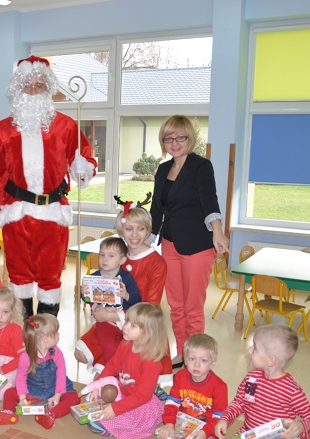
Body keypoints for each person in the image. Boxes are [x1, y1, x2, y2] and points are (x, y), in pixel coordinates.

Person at [0, 55, 97, 317]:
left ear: (48, 89)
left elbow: (85, 162)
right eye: (27, 85)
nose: (33, 90)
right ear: (17, 89)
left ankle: (46, 333)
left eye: (39, 85)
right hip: (16, 213)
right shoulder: (3, 130)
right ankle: (22, 332)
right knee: (19, 277)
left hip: (53, 214)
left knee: (50, 278)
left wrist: (83, 167)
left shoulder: (67, 126)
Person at [149, 115, 229, 368]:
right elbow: (156, 208)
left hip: (197, 246)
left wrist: (218, 231)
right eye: (168, 139)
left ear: (190, 138)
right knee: (175, 305)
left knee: (193, 307)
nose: (174, 143)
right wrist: (146, 239)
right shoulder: (163, 169)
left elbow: (210, 199)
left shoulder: (200, 166)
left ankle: (195, 358)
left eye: (180, 137)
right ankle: (183, 351)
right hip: (170, 243)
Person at [212, 324, 310, 439]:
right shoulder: (252, 378)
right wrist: (225, 419)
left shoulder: (291, 390)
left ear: (271, 360)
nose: (249, 350)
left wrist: (301, 426)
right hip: (247, 436)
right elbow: (239, 402)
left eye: (255, 348)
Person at [75, 206, 168, 374]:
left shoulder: (157, 263)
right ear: (121, 230)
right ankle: (111, 374)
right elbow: (101, 291)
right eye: (129, 229)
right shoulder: (115, 256)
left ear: (148, 231)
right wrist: (89, 297)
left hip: (140, 328)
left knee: (109, 374)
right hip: (108, 324)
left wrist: (112, 316)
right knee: (80, 353)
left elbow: (151, 310)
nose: (134, 235)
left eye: (141, 229)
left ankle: (116, 375)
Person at [131, 333, 228, 439]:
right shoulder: (181, 377)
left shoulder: (220, 386)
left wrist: (205, 433)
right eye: (192, 359)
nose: (196, 365)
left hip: (207, 430)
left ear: (212, 363)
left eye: (203, 360)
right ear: (185, 360)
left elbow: (219, 417)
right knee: (164, 436)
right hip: (182, 422)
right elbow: (172, 403)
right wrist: (169, 423)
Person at [85, 302, 169, 439]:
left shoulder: (151, 362)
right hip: (123, 393)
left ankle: (154, 405)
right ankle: (158, 394)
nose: (125, 326)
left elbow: (142, 396)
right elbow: (112, 366)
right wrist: (97, 385)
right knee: (90, 403)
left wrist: (115, 409)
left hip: (139, 404)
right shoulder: (125, 345)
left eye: (133, 325)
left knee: (96, 422)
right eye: (127, 321)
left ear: (148, 332)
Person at [0, 314, 80, 429]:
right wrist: (22, 398)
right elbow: (20, 377)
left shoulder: (56, 352)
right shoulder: (26, 356)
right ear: (45, 338)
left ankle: (50, 415)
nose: (59, 335)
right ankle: (8, 412)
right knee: (9, 393)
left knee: (74, 398)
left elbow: (61, 374)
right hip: (33, 389)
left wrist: (57, 395)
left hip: (56, 388)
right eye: (56, 333)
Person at [74, 236, 141, 372]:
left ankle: (113, 370)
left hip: (124, 322)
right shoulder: (93, 277)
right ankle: (114, 370)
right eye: (102, 255)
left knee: (121, 346)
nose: (105, 259)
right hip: (104, 323)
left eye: (111, 256)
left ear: (122, 260)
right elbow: (88, 301)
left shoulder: (126, 278)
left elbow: (137, 301)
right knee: (108, 344)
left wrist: (126, 295)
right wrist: (83, 294)